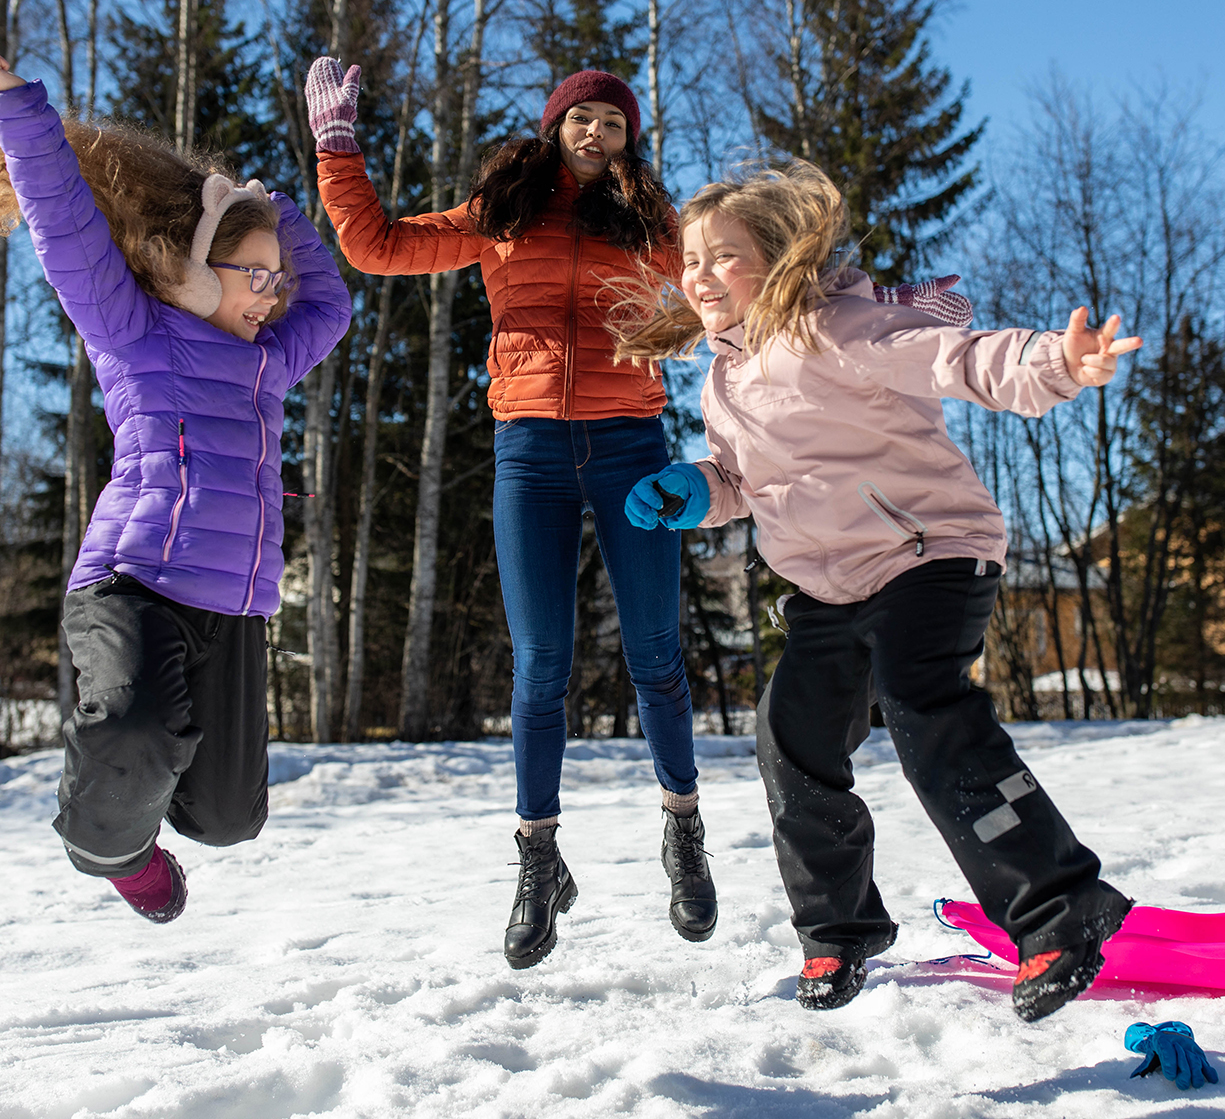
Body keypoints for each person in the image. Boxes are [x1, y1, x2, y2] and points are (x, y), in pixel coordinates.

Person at [611, 160, 1138, 1021]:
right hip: (828, 588)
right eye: (691, 260)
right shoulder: (723, 379)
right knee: (790, 736)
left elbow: (958, 357)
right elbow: (744, 480)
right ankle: (838, 930)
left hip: (927, 553)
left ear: (778, 258)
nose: (700, 276)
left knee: (920, 699)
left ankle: (1058, 906)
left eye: (724, 257)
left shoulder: (838, 327)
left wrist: (1057, 361)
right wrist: (697, 489)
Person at [302, 57, 714, 969]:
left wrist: (869, 303)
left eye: (613, 121)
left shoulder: (656, 226)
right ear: (555, 126)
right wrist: (337, 148)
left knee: (655, 654)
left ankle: (683, 832)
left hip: (632, 446)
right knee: (541, 664)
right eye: (582, 117)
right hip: (529, 452)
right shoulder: (504, 212)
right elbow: (376, 245)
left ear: (629, 139)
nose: (596, 132)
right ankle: (538, 859)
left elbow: (741, 285)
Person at [0, 52, 351, 922]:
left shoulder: (271, 361)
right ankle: (115, 850)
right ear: (197, 269)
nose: (272, 295)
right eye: (254, 275)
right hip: (135, 585)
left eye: (277, 278)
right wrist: (17, 111)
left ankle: (147, 802)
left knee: (229, 819)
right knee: (134, 730)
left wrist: (277, 211)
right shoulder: (135, 334)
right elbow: (65, 227)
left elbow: (332, 308)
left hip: (233, 608)